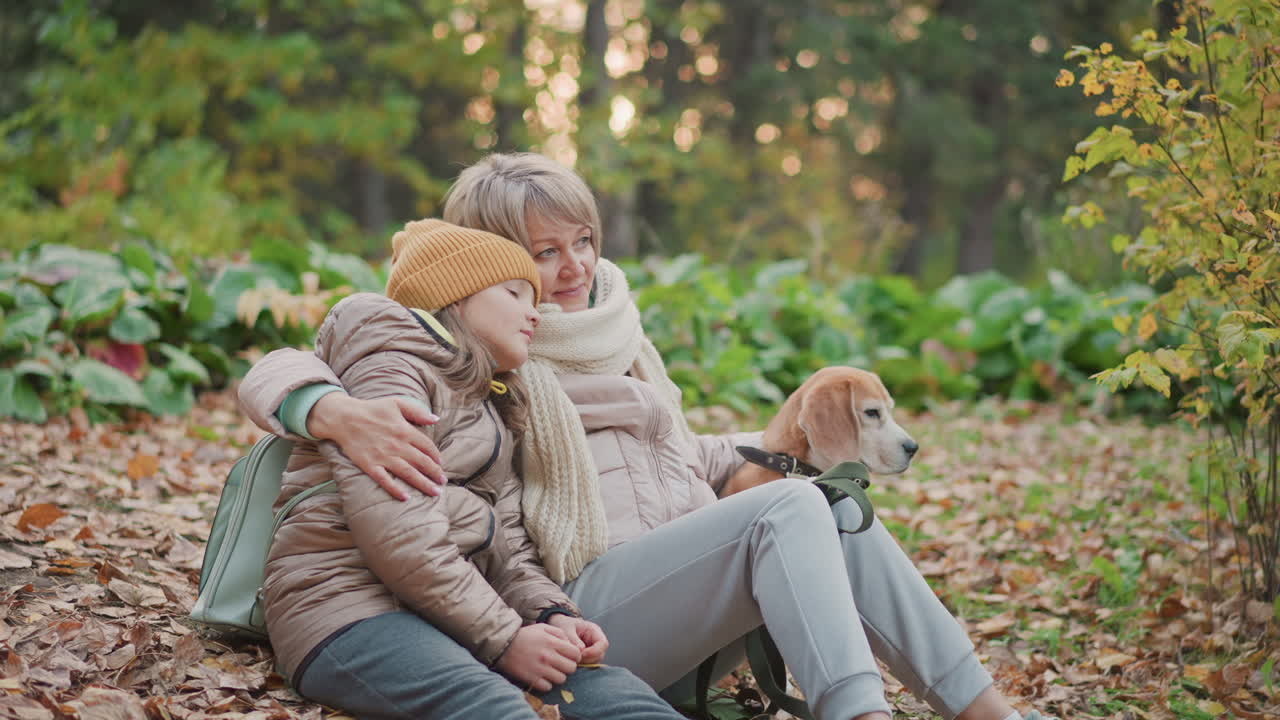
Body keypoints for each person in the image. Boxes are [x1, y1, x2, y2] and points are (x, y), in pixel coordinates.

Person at [240, 153, 1056, 720]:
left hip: (650, 588)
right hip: (593, 594)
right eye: (543, 253)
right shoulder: (491, 363)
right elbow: (316, 352)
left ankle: (982, 706)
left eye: (583, 242)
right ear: (490, 266)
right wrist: (328, 409)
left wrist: (787, 443)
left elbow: (672, 455)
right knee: (791, 512)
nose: (572, 269)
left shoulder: (615, 339)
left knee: (828, 504)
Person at [252, 218, 688, 720]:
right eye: (516, 294)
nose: (535, 314)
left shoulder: (492, 403)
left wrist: (550, 613)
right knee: (496, 709)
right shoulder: (393, 363)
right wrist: (505, 639)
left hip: (452, 615)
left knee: (622, 701)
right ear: (457, 296)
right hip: (346, 610)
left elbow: (507, 543)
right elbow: (402, 534)